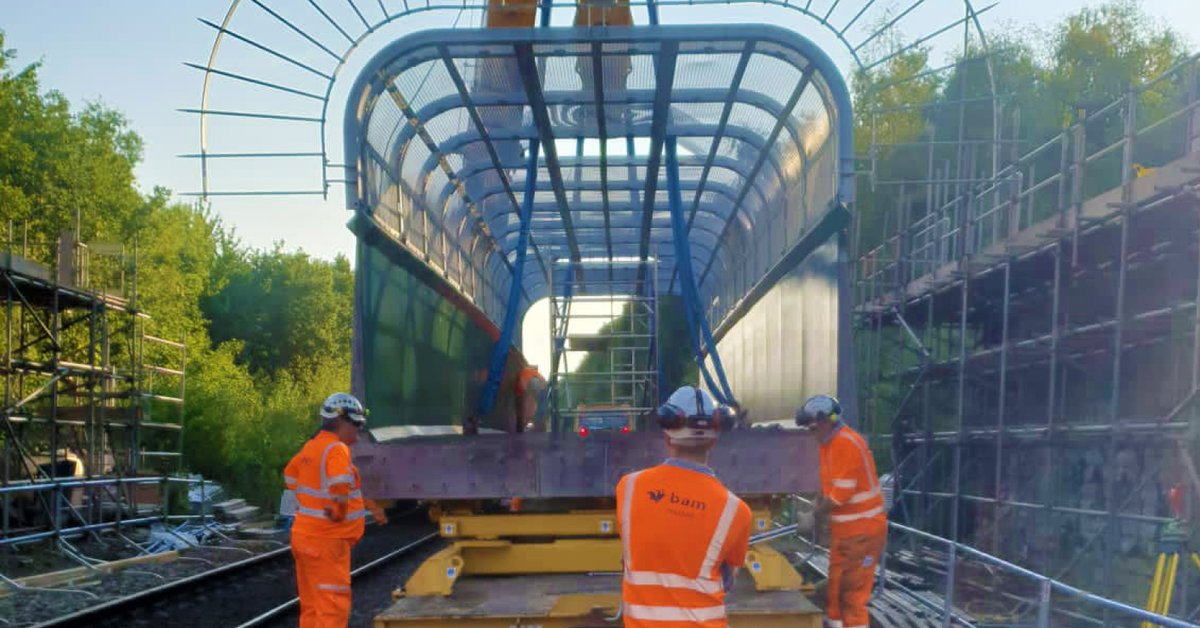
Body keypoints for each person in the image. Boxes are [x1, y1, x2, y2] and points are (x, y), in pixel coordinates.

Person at [616, 385, 751, 627]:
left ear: (667, 437)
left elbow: (631, 554)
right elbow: (728, 580)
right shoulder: (737, 511)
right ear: (714, 441)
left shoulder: (629, 488)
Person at [284, 392, 388, 628]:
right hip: (328, 543)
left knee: (312, 607)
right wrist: (336, 510)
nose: (359, 431)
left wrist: (307, 504)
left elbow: (290, 475)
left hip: (304, 537)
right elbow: (340, 485)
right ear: (341, 421)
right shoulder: (336, 449)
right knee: (332, 608)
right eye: (357, 424)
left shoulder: (311, 447)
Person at [794, 394, 887, 628]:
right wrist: (815, 507)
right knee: (835, 592)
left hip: (862, 533)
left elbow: (840, 495)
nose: (810, 433)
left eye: (811, 428)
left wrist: (813, 517)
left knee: (851, 597)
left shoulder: (845, 443)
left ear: (824, 421)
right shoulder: (829, 445)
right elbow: (827, 486)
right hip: (848, 534)